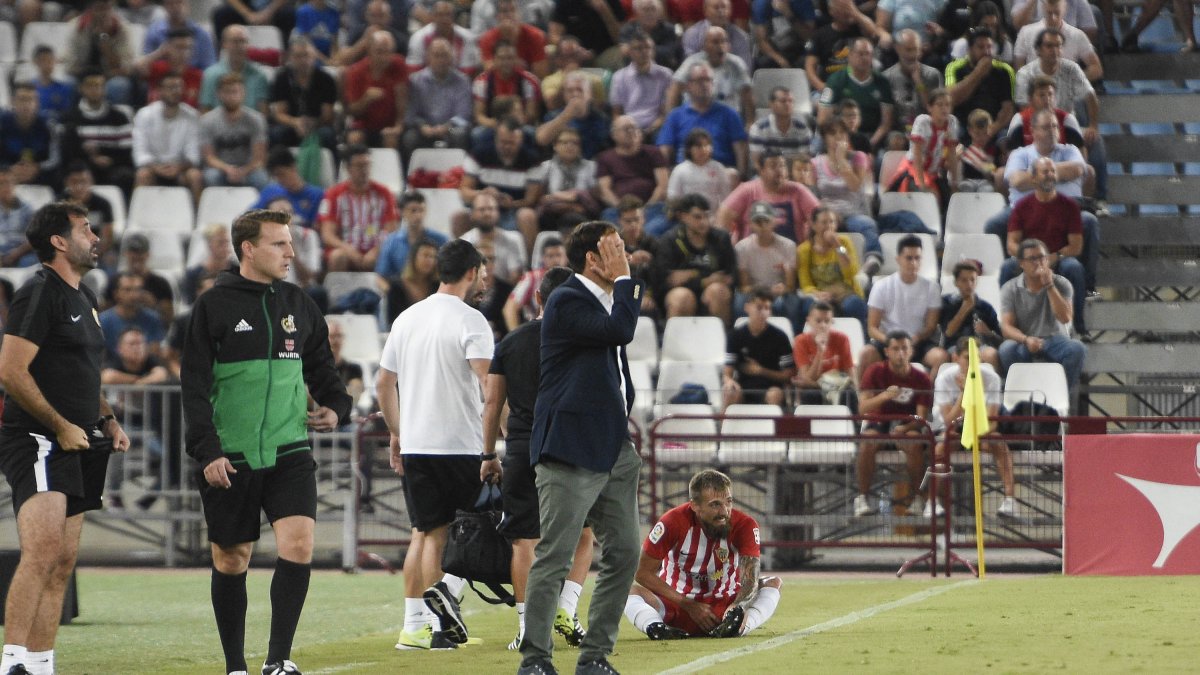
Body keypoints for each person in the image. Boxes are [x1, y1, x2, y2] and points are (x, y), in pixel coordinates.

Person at [181, 208, 352, 675]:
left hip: (290, 449)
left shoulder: (298, 302)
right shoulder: (212, 307)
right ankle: (236, 665)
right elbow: (193, 387)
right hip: (230, 456)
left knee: (298, 544)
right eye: (279, 244)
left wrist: (337, 406)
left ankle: (278, 660)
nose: (290, 252)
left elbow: (323, 370)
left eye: (290, 242)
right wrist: (209, 451)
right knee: (233, 558)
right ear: (248, 249)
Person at [0, 202, 130, 675]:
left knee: (62, 561)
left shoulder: (86, 297)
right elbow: (11, 371)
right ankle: (11, 661)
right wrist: (59, 425)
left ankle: (40, 663)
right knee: (40, 552)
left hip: (79, 439)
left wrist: (109, 418)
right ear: (59, 241)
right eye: (85, 229)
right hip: (38, 439)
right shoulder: (38, 293)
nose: (95, 237)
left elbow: (84, 375)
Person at [518, 221, 643, 675]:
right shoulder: (566, 299)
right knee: (556, 553)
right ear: (593, 258)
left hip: (614, 445)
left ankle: (594, 656)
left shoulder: (606, 303)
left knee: (626, 550)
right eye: (616, 248)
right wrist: (627, 279)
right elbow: (621, 333)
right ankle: (534, 660)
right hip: (570, 446)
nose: (625, 255)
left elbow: (616, 355)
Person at [375, 239, 492, 651]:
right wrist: (499, 437)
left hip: (417, 442)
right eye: (483, 270)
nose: (485, 278)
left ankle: (415, 627)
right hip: (458, 443)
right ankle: (440, 622)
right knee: (458, 536)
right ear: (471, 271)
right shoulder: (470, 320)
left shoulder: (408, 317)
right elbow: (487, 383)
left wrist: (397, 432)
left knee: (423, 534)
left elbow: (383, 383)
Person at [482, 266, 594, 650]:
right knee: (583, 533)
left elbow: (493, 402)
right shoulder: (583, 343)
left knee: (524, 541)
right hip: (570, 449)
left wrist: (487, 455)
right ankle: (566, 607)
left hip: (521, 449)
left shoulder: (511, 342)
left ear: (539, 299)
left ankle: (530, 627)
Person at [624, 469, 782, 640]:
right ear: (694, 505)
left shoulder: (745, 525)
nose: (724, 511)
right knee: (625, 589)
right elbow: (641, 572)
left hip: (724, 606)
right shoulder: (672, 522)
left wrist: (737, 606)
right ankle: (655, 626)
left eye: (728, 502)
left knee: (772, 582)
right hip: (676, 605)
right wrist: (688, 604)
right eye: (715, 504)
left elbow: (750, 579)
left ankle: (737, 626)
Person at [930, 336, 1016, 518]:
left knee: (998, 442)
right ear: (956, 358)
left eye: (977, 358)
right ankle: (932, 502)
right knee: (940, 448)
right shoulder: (944, 379)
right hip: (953, 432)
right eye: (968, 357)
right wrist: (963, 392)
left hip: (979, 432)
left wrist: (975, 435)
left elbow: (992, 421)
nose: (973, 362)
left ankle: (1010, 500)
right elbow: (948, 421)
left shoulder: (991, 378)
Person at [999, 156, 1087, 334]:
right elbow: (1011, 244)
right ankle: (1008, 326)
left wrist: (1056, 256)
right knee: (1008, 267)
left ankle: (1078, 326)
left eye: (1053, 171)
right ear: (1033, 177)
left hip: (1058, 258)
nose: (1050, 175)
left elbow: (1076, 246)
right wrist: (1029, 259)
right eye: (1045, 172)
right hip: (1029, 259)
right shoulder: (1022, 206)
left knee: (1075, 268)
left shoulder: (1069, 206)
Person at [854, 330, 933, 517]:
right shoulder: (874, 371)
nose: (900, 353)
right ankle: (862, 498)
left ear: (911, 351)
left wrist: (905, 428)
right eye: (896, 349)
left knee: (914, 443)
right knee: (867, 442)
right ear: (887, 351)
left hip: (907, 423)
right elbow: (863, 408)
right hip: (878, 420)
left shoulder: (922, 379)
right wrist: (885, 396)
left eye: (904, 348)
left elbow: (921, 418)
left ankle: (917, 498)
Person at [998, 238, 1087, 396]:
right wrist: (1026, 339)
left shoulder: (1062, 283)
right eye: (1032, 259)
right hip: (1024, 339)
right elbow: (1006, 327)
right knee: (1006, 350)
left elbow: (1065, 318)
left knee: (1077, 349)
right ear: (1021, 263)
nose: (1038, 263)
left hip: (1055, 339)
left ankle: (1058, 396)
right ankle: (1023, 395)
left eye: (1042, 257)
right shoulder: (1010, 288)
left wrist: (1049, 286)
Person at [860, 234, 947, 382]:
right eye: (909, 258)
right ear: (898, 259)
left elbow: (931, 326)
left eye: (917, 258)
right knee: (865, 354)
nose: (913, 263)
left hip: (917, 342)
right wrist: (890, 340)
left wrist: (917, 338)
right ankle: (863, 400)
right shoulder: (881, 286)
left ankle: (926, 397)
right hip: (888, 341)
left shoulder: (931, 287)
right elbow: (872, 328)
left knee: (941, 357)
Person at [657, 62, 749, 178]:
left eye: (708, 80)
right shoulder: (675, 116)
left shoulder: (729, 114)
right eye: (700, 80)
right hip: (686, 174)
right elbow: (664, 150)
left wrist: (741, 177)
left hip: (721, 173)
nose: (705, 85)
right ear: (688, 85)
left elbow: (741, 149)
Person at [656, 193, 736, 325]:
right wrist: (704, 280)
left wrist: (689, 275)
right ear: (683, 216)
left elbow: (730, 277)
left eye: (706, 216)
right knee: (681, 297)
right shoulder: (669, 241)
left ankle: (721, 342)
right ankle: (676, 344)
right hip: (680, 294)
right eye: (697, 217)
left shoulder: (721, 239)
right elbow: (665, 282)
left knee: (718, 291)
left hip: (712, 291)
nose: (704, 222)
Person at [317, 144, 399, 273]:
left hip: (375, 250)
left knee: (389, 253)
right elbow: (327, 235)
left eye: (367, 165)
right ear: (348, 168)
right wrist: (348, 249)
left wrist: (376, 251)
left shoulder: (384, 193)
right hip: (345, 250)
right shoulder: (333, 194)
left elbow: (392, 231)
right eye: (359, 166)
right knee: (338, 256)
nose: (364, 170)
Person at [59, 69, 137, 198]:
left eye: (99, 85)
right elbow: (67, 154)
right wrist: (91, 160)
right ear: (81, 88)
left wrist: (109, 159)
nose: (95, 89)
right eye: (90, 85)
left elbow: (127, 153)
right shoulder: (69, 118)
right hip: (81, 168)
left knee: (125, 175)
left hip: (112, 168)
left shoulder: (119, 117)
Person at [717, 149, 820, 243]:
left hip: (792, 255)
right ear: (761, 171)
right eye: (773, 166)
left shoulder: (798, 190)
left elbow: (820, 217)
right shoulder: (747, 190)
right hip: (751, 256)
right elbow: (723, 217)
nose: (779, 170)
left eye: (782, 165)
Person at [131, 72, 204, 203]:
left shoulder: (192, 116)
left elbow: (193, 154)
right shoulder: (144, 115)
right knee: (142, 175)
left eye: (179, 87)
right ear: (159, 90)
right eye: (171, 87)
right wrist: (156, 167)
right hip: (153, 168)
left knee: (195, 175)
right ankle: (137, 215)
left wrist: (179, 167)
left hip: (181, 169)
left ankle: (198, 218)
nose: (176, 91)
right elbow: (140, 152)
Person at [733, 202, 803, 331]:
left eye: (766, 221)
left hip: (780, 293)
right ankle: (742, 336)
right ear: (750, 224)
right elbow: (744, 286)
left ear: (774, 222)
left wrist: (784, 287)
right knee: (739, 302)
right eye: (758, 221)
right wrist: (766, 289)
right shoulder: (742, 248)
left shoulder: (788, 246)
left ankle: (793, 340)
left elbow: (791, 286)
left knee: (792, 302)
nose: (762, 226)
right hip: (753, 291)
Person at [816, 37, 896, 152]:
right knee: (817, 146)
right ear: (850, 56)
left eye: (868, 54)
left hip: (872, 137)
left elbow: (886, 123)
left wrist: (868, 145)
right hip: (841, 136)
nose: (864, 58)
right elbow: (823, 119)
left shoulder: (882, 82)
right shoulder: (835, 80)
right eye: (860, 54)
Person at [722, 289, 796, 408]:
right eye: (759, 307)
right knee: (729, 391)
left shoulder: (780, 337)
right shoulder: (735, 335)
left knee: (775, 394)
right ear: (747, 308)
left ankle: (773, 427)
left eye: (767, 308)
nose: (763, 312)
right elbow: (727, 372)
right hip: (743, 387)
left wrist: (761, 371)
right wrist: (729, 381)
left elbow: (788, 375)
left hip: (771, 387)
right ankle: (723, 426)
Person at [402, 37, 475, 160]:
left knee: (460, 134)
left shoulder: (463, 81)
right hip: (424, 128)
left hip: (452, 128)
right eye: (437, 56)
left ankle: (457, 174)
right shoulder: (415, 80)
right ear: (428, 58)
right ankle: (413, 176)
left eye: (445, 55)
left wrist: (446, 127)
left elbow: (464, 115)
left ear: (452, 58)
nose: (441, 60)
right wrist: (423, 126)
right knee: (410, 138)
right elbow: (411, 113)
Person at [596, 116, 671, 235]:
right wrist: (622, 209)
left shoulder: (654, 152)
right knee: (610, 225)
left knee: (656, 225)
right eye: (626, 129)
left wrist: (646, 207)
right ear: (614, 135)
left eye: (634, 128)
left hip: (651, 208)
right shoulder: (605, 158)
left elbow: (662, 186)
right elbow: (605, 190)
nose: (631, 132)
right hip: (618, 211)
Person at [796, 206, 868, 328]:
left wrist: (837, 246)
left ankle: (863, 341)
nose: (829, 226)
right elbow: (805, 284)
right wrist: (818, 294)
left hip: (845, 292)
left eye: (832, 222)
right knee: (809, 306)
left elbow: (851, 272)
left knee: (855, 304)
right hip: (820, 294)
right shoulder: (804, 250)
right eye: (824, 222)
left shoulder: (844, 242)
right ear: (813, 225)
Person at [669, 26, 754, 123]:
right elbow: (674, 90)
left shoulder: (737, 64)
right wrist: (671, 120)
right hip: (695, 119)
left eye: (724, 41)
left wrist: (750, 123)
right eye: (715, 42)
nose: (721, 46)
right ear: (704, 46)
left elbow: (748, 96)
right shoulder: (691, 63)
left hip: (727, 120)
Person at [199, 73, 270, 190]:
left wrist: (243, 171)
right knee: (211, 177)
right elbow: (209, 157)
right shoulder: (207, 120)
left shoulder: (256, 119)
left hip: (248, 168)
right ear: (219, 94)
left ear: (243, 94)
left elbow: (259, 158)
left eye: (235, 91)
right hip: (220, 168)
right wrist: (227, 169)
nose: (231, 96)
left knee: (261, 178)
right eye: (227, 92)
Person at [343, 31, 409, 151]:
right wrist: (366, 99)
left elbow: (402, 101)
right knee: (354, 138)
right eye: (379, 52)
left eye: (388, 52)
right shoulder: (356, 72)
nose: (384, 57)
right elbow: (352, 111)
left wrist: (398, 127)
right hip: (363, 126)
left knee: (392, 138)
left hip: (390, 125)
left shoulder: (399, 64)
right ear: (369, 51)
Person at [945, 28, 1016, 138]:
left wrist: (992, 129)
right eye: (981, 47)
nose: (987, 52)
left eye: (989, 47)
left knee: (1007, 136)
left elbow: (1008, 109)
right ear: (969, 49)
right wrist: (978, 73)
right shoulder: (955, 67)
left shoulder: (1004, 70)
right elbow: (951, 99)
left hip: (994, 126)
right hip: (964, 126)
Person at [609, 29, 674, 140]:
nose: (644, 52)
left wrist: (648, 130)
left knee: (662, 135)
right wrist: (628, 130)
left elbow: (665, 113)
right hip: (628, 126)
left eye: (648, 47)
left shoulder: (666, 75)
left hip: (656, 127)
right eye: (638, 48)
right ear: (630, 52)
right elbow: (617, 113)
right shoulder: (618, 77)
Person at [939, 260, 1002, 371]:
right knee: (960, 357)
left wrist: (987, 332)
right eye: (964, 280)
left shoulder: (985, 307)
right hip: (955, 346)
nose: (969, 284)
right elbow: (948, 332)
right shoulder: (947, 303)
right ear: (956, 282)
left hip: (980, 346)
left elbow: (1000, 337)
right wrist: (964, 309)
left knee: (991, 354)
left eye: (972, 280)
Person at [792, 300, 856, 406]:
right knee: (810, 394)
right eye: (818, 321)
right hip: (814, 389)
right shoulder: (800, 341)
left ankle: (854, 423)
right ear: (808, 321)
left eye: (827, 321)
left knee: (850, 394)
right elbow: (807, 378)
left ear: (832, 322)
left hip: (837, 386)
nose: (823, 325)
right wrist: (820, 351)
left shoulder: (842, 339)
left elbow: (850, 375)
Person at [881, 30, 944, 134]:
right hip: (899, 132)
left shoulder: (933, 75)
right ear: (897, 49)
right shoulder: (887, 77)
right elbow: (887, 120)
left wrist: (918, 82)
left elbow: (934, 111)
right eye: (908, 50)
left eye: (916, 50)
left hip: (928, 130)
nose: (912, 55)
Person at [200, 25, 271, 115]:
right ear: (224, 44)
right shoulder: (210, 74)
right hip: (218, 127)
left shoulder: (259, 75)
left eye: (243, 41)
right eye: (235, 41)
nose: (240, 46)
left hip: (251, 127)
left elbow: (263, 113)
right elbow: (205, 111)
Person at [0, 84, 60, 188]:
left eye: (31, 100)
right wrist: (9, 168)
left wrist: (38, 167)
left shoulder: (48, 124)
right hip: (6, 176)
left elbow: (56, 158)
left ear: (37, 103)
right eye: (22, 99)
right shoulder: (2, 123)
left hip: (41, 177)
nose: (26, 104)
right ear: (12, 102)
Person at [253, 146, 326, 231]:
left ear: (293, 167)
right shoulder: (270, 191)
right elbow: (249, 219)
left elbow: (317, 229)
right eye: (275, 176)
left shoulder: (317, 195)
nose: (279, 180)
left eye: (281, 174)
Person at [666, 129, 734, 219]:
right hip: (687, 218)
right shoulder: (680, 170)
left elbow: (726, 196)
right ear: (689, 149)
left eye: (706, 145)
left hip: (713, 218)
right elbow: (673, 197)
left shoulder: (718, 168)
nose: (703, 149)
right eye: (699, 146)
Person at [503, 236, 567, 331]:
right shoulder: (531, 278)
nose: (555, 260)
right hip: (536, 331)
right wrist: (515, 336)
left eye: (559, 255)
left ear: (566, 257)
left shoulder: (574, 278)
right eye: (550, 256)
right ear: (543, 258)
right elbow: (509, 308)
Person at [98, 273, 166, 362]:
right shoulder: (103, 321)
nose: (134, 295)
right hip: (112, 370)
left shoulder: (153, 318)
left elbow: (155, 352)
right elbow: (99, 356)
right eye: (127, 290)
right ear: (116, 294)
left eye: (138, 290)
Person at [748, 87, 815, 167]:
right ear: (771, 104)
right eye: (783, 101)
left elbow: (804, 160)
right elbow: (757, 162)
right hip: (767, 174)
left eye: (790, 101)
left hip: (794, 174)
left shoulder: (803, 129)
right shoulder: (758, 129)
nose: (788, 104)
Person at [0, 167, 37, 268]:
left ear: (14, 184)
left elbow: (34, 237)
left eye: (8, 182)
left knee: (29, 262)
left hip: (20, 252)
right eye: (1, 183)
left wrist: (15, 254)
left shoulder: (27, 209)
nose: (5, 187)